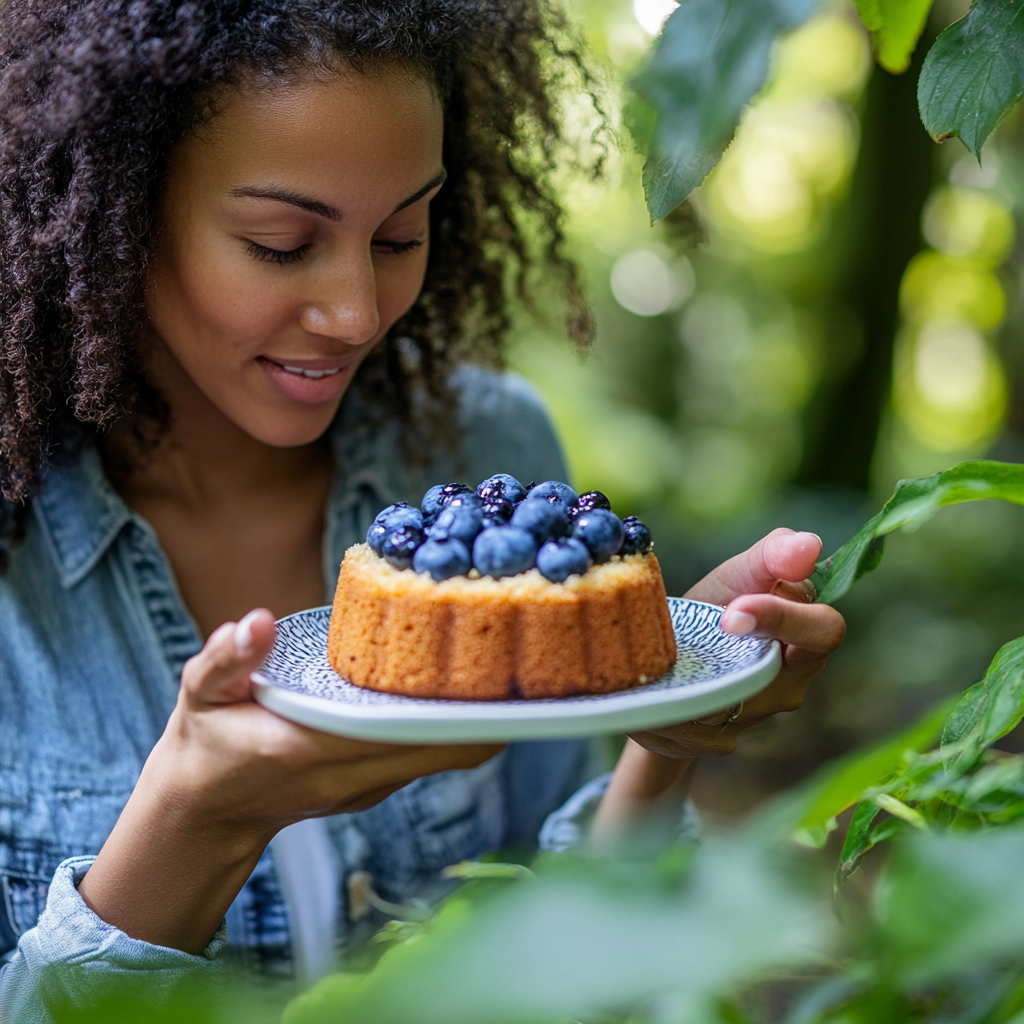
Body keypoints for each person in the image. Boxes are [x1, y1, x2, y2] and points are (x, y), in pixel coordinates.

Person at [0, 0, 846, 1018]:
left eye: (401, 233)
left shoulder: (486, 450)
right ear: (119, 212)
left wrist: (654, 724)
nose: (356, 310)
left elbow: (574, 970)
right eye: (279, 243)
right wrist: (192, 820)